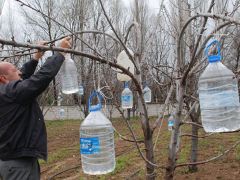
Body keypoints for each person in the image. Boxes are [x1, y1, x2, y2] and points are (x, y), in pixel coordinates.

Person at [0, 37, 72, 180]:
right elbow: (38, 80)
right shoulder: (11, 93)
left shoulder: (6, 93)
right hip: (18, 165)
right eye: (15, 69)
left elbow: (22, 77)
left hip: (11, 160)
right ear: (3, 78)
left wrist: (36, 58)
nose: (20, 72)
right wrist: (60, 54)